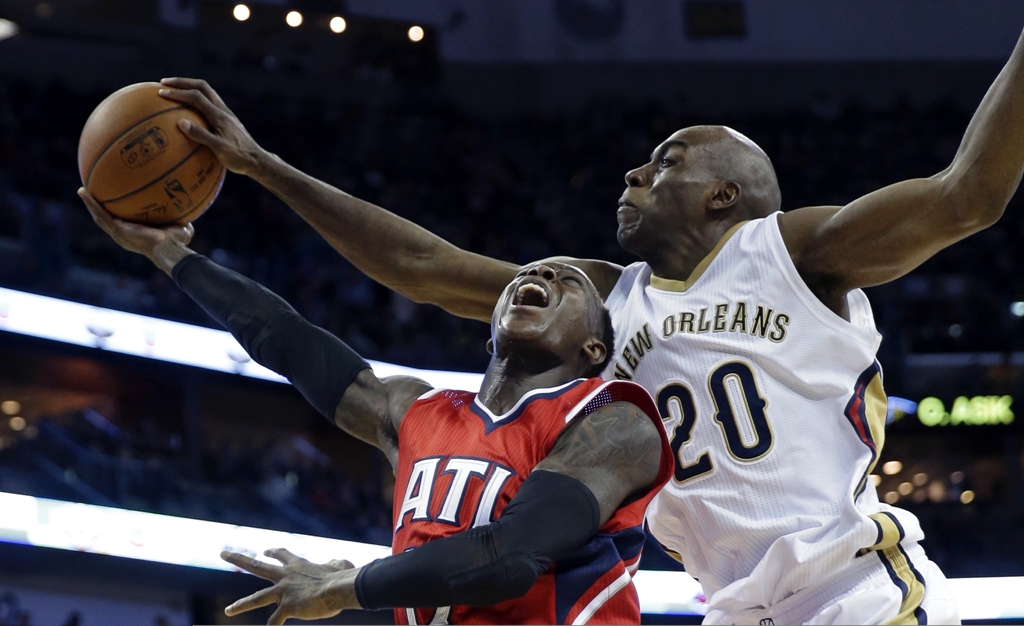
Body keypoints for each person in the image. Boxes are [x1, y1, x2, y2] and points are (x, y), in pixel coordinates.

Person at [157, 23, 1024, 622]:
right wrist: (264, 167)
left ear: (724, 194)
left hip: (853, 591)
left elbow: (968, 196)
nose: (634, 172)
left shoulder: (790, 253)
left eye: (665, 162)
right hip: (731, 607)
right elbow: (424, 269)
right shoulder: (608, 298)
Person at [78, 190, 673, 625]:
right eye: (530, 272)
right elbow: (285, 339)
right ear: (490, 334)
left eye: (568, 282)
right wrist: (173, 257)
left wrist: (344, 586)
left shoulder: (614, 421)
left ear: (595, 347)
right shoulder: (420, 412)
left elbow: (507, 557)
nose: (540, 271)